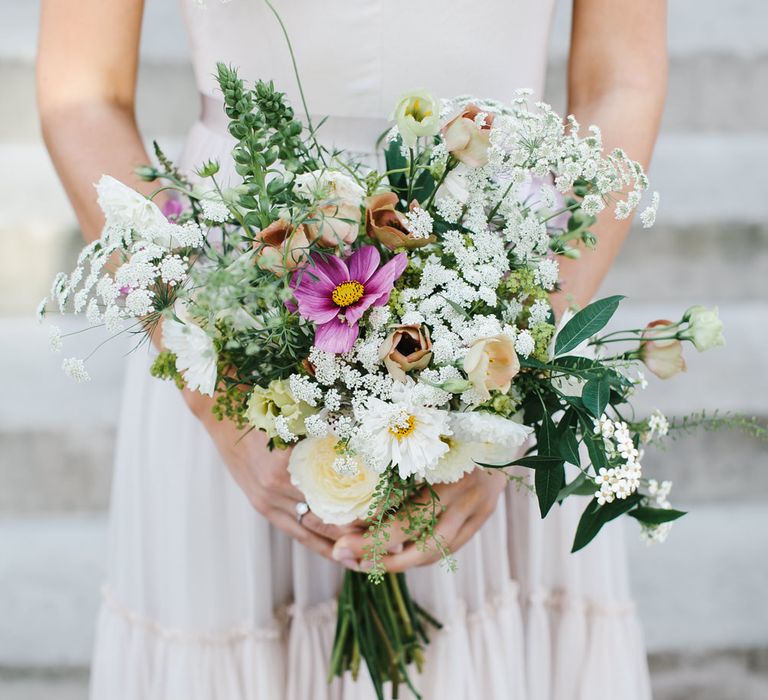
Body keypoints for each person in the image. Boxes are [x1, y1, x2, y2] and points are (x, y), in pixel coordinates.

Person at [37, 1, 667, 698]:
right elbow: (82, 92)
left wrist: (518, 373)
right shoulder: (215, 359)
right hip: (225, 287)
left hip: (507, 274)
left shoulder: (514, 337)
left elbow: (622, 78)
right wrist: (216, 396)